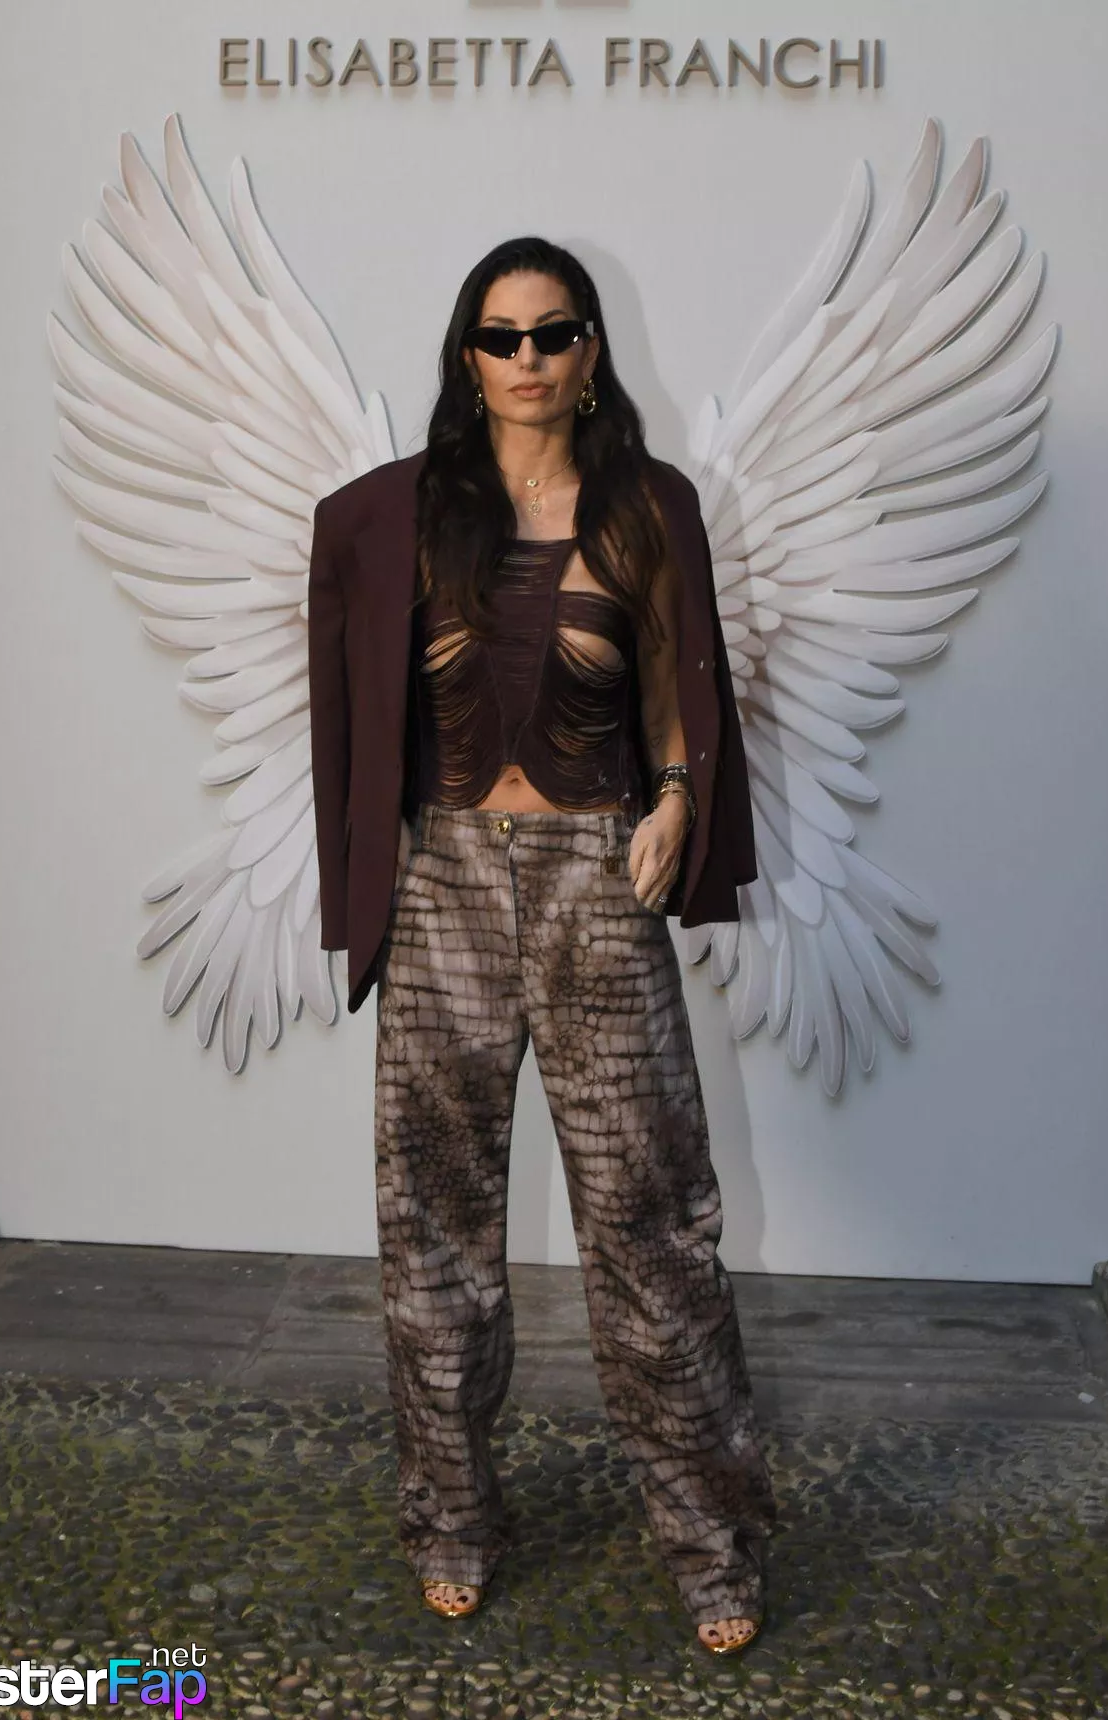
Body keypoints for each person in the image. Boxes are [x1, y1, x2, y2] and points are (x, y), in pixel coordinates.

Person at [307, 236, 778, 1655]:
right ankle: (451, 1521)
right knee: (433, 1228)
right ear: (468, 357)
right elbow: (345, 708)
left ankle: (713, 1545)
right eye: (501, 336)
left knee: (655, 1229)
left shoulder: (649, 506)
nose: (528, 359)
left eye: (554, 332)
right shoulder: (390, 517)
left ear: (590, 352)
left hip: (594, 880)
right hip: (445, 880)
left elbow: (678, 684)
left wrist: (678, 798)